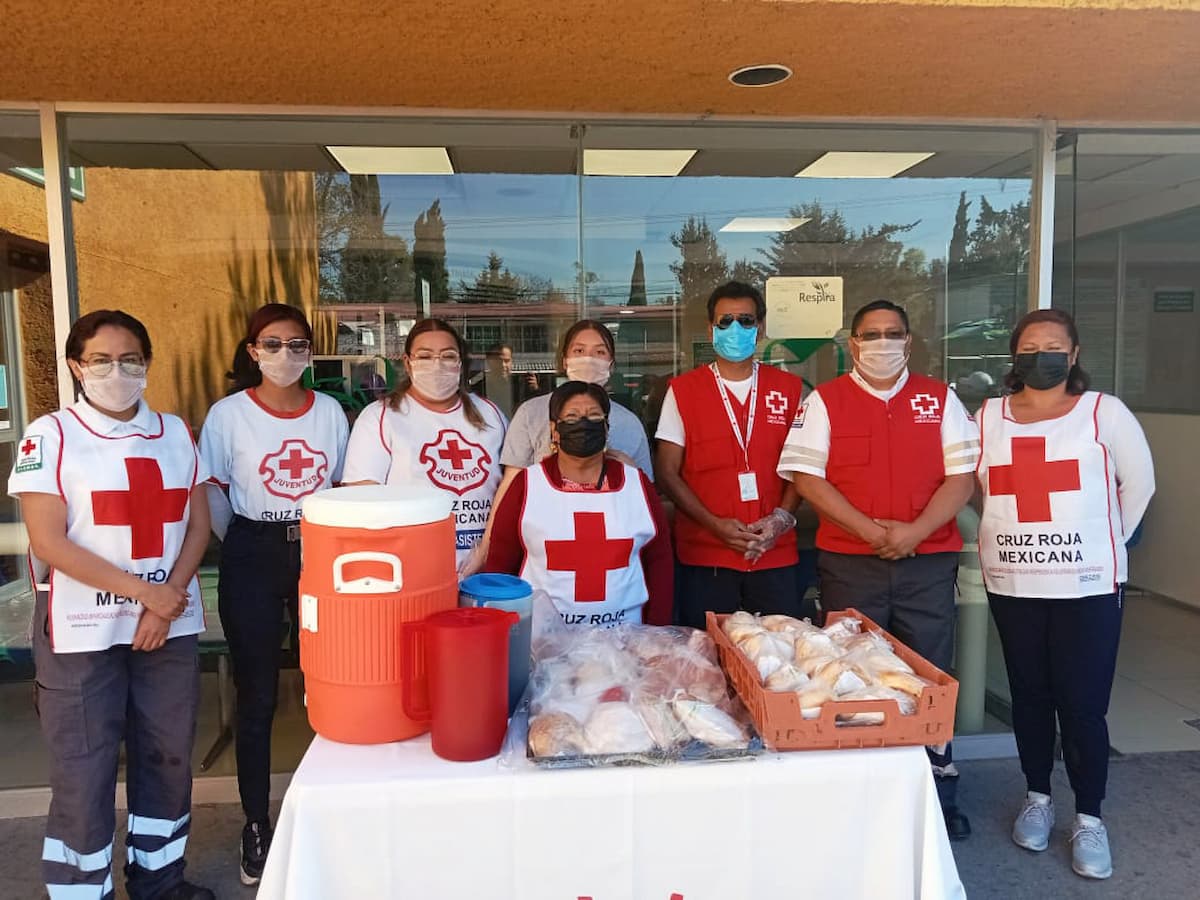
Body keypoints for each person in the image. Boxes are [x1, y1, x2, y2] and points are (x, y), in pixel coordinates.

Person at [9, 310, 214, 900]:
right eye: (101, 359)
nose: (116, 370)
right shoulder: (49, 435)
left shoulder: (175, 431)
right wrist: (146, 593)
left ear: (147, 364)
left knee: (168, 755)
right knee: (83, 767)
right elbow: (49, 541)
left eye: (130, 358)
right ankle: (81, 891)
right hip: (81, 632)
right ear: (76, 365)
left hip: (166, 626)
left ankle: (160, 881)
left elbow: (196, 526)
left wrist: (162, 602)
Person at [777, 298, 979, 841]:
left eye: (893, 333)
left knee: (929, 677)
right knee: (850, 676)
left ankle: (938, 791)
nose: (882, 343)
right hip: (851, 564)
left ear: (909, 342)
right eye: (872, 334)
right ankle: (861, 794)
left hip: (926, 563)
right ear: (852, 344)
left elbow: (961, 477)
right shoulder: (826, 401)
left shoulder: (939, 399)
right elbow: (807, 478)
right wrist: (871, 532)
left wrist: (912, 533)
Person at [976, 309, 1154, 880]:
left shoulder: (1105, 412)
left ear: (1073, 356)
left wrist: (1102, 544)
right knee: (1029, 696)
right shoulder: (988, 417)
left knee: (1082, 706)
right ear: (1015, 356)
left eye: (1055, 346)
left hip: (1087, 586)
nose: (1043, 355)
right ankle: (1037, 796)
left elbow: (1140, 483)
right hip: (1015, 581)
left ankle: (1090, 817)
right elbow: (980, 490)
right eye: (1032, 346)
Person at [198, 303, 348, 886]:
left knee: (333, 680)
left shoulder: (331, 411)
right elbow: (212, 489)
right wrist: (244, 541)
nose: (286, 355)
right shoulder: (228, 415)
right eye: (273, 343)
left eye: (298, 344)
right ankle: (256, 821)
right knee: (256, 692)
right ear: (252, 350)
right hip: (254, 549)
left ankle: (331, 810)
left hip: (321, 548)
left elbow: (340, 483)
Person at [655, 281, 804, 629]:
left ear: (761, 328)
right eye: (725, 321)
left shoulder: (788, 388)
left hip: (774, 553)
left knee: (778, 662)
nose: (735, 329)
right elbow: (667, 471)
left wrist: (781, 519)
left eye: (746, 320)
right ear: (711, 329)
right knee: (706, 660)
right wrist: (714, 525)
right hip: (707, 554)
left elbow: (802, 466)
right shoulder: (683, 391)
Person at [482, 381, 672, 627]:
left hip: (626, 643)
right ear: (554, 429)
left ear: (606, 427)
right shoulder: (526, 485)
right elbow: (501, 567)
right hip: (544, 644)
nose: (583, 423)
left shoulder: (636, 484)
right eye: (571, 417)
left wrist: (656, 633)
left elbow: (659, 561)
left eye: (594, 416)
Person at [343, 318, 507, 566]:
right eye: (425, 356)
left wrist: (486, 555)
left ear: (460, 364)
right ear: (408, 364)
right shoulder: (381, 417)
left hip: (485, 568)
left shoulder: (491, 414)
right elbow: (362, 502)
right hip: (413, 567)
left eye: (448, 356)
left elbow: (512, 489)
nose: (437, 365)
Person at [501, 320, 653, 479]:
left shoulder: (630, 423)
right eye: (579, 351)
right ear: (565, 360)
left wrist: (632, 472)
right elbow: (512, 484)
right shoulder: (530, 413)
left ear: (611, 364)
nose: (588, 359)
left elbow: (646, 490)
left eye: (600, 352)